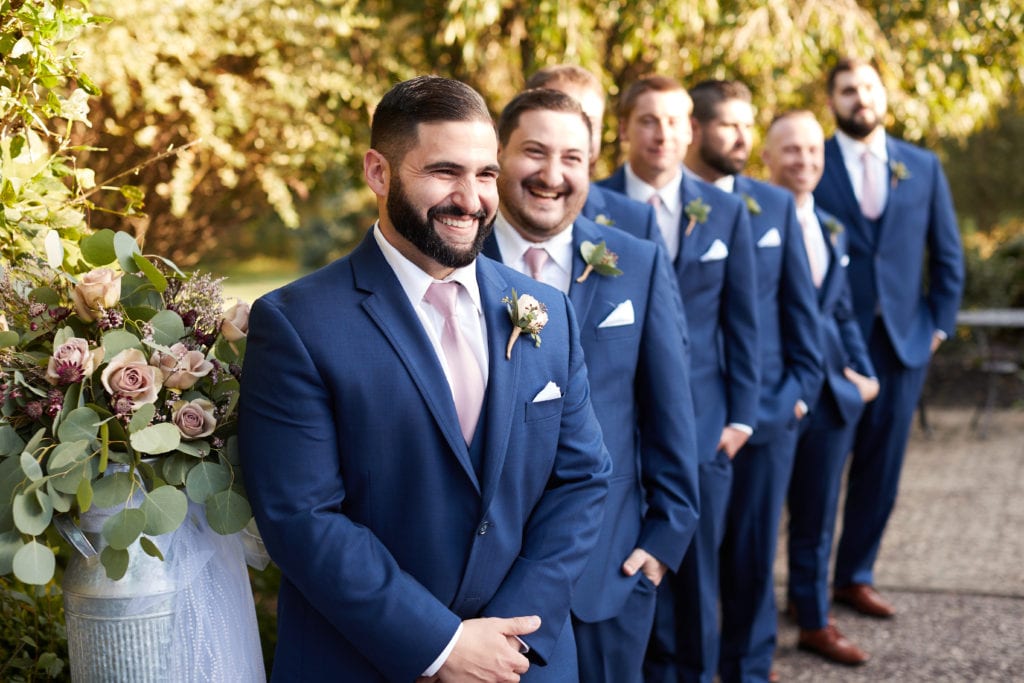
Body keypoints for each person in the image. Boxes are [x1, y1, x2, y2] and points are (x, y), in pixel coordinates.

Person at [238, 75, 612, 682]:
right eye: (444, 172)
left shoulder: (549, 310)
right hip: (364, 659)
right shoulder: (296, 323)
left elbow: (582, 481)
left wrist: (509, 635)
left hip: (523, 659)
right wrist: (441, 646)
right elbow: (303, 517)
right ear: (379, 173)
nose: (471, 199)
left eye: (486, 174)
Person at [483, 87, 700, 683]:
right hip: (484, 578)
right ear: (500, 154)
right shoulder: (455, 259)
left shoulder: (637, 262)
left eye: (572, 158)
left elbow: (669, 411)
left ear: (591, 165)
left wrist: (665, 539)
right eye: (534, 152)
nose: (553, 175)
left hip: (611, 572)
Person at [597, 75, 761, 683]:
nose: (662, 133)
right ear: (623, 129)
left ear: (690, 130)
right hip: (618, 434)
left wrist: (740, 419)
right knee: (626, 575)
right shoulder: (591, 203)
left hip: (704, 431)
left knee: (698, 582)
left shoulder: (724, 211)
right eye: (648, 119)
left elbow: (743, 324)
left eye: (674, 120)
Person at [814, 57, 964, 619]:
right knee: (822, 470)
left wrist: (937, 328)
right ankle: (809, 593)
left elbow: (947, 254)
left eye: (868, 87)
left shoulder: (922, 166)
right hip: (832, 345)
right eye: (848, 90)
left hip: (904, 345)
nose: (860, 97)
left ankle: (855, 575)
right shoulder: (813, 160)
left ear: (884, 95)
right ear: (833, 100)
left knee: (882, 471)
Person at [683, 80, 823, 683]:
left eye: (749, 125)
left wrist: (788, 404)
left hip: (765, 421)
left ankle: (749, 671)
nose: (743, 138)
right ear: (695, 129)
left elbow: (802, 324)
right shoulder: (647, 210)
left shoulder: (772, 206)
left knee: (754, 561)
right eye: (728, 126)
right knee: (690, 567)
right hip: (688, 425)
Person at [763, 109, 879, 667]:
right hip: (773, 395)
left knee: (815, 520)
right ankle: (751, 645)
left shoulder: (831, 225)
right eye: (791, 150)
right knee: (756, 531)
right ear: (767, 157)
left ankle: (813, 621)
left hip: (833, 397)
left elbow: (842, 311)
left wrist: (865, 374)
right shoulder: (747, 217)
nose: (804, 160)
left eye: (813, 151)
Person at [524, 65, 664, 245]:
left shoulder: (638, 222)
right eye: (559, 121)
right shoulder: (480, 216)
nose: (576, 138)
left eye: (590, 124)